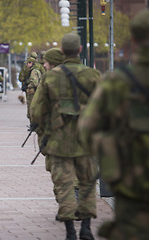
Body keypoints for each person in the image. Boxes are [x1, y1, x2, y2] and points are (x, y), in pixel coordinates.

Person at [78, 10, 149, 240]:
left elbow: (87, 131)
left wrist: (111, 149)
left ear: (134, 40)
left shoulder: (117, 82)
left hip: (132, 186)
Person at [31, 33, 100, 240]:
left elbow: (36, 112)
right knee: (87, 184)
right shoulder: (94, 75)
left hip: (59, 142)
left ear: (62, 52)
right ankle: (86, 229)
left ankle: (70, 232)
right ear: (79, 50)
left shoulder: (51, 77)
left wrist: (46, 132)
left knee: (64, 186)